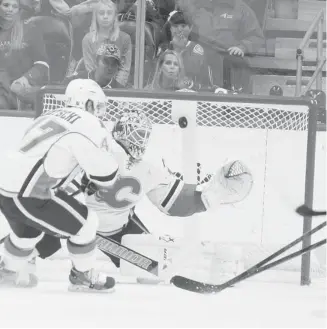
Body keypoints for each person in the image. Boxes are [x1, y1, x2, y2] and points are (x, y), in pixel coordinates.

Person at [18, 108, 253, 281]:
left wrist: (207, 198)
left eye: (144, 135)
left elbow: (172, 203)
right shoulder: (145, 169)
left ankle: (20, 257)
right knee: (152, 273)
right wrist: (209, 198)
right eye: (138, 134)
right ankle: (27, 259)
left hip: (109, 228)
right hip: (102, 229)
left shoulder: (96, 151)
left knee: (151, 273)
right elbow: (175, 205)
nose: (141, 140)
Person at [0, 79, 119, 292]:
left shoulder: (50, 115)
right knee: (87, 223)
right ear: (88, 103)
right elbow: (106, 177)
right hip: (30, 192)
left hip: (6, 188)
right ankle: (82, 276)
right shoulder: (88, 122)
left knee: (27, 236)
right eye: (98, 106)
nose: (99, 112)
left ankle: (6, 271)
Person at [0, 0, 49, 110]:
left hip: (21, 87)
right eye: (6, 5)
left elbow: (42, 65)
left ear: (19, 10)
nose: (10, 9)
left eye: (14, 6)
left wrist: (26, 79)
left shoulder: (31, 30)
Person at [157, 10, 211, 91]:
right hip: (166, 93)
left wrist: (180, 49)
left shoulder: (196, 49)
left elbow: (197, 76)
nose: (179, 30)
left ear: (190, 28)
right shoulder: (163, 48)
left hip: (193, 93)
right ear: (170, 29)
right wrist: (175, 49)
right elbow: (157, 76)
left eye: (183, 26)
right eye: (175, 26)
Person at [82, 0, 132, 87]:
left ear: (114, 16)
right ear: (96, 16)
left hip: (117, 88)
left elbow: (124, 69)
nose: (105, 16)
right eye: (101, 13)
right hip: (94, 86)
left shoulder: (125, 39)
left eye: (109, 13)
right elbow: (90, 68)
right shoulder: (88, 39)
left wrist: (115, 87)